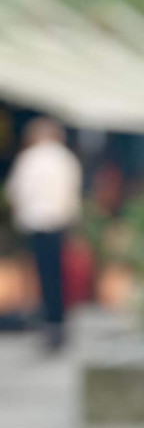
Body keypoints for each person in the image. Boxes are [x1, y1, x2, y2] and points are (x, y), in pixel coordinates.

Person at [3, 117, 82, 347]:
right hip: (58, 223)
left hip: (35, 223)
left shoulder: (29, 158)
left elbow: (14, 191)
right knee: (56, 273)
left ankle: (48, 319)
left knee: (41, 273)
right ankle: (57, 319)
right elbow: (72, 192)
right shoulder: (65, 158)